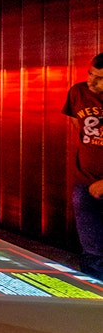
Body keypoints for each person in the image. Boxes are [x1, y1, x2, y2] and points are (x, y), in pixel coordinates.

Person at [63, 53, 103, 281]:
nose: (91, 81)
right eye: (90, 74)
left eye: (100, 78)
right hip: (85, 178)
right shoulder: (78, 92)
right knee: (91, 246)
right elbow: (79, 127)